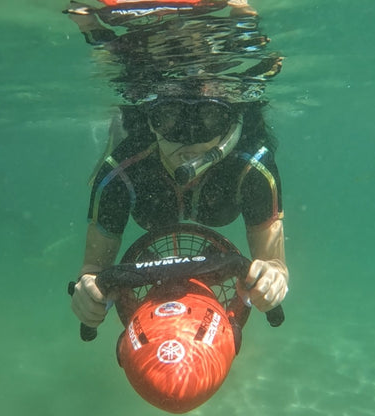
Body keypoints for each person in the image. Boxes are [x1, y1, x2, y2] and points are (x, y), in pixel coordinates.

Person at [65, 0, 289, 329]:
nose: (189, 143)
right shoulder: (122, 171)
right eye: (168, 117)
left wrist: (274, 281)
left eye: (209, 118)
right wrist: (87, 292)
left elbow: (275, 266)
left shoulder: (251, 167)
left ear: (231, 123)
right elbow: (92, 274)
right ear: (150, 121)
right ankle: (120, 122)